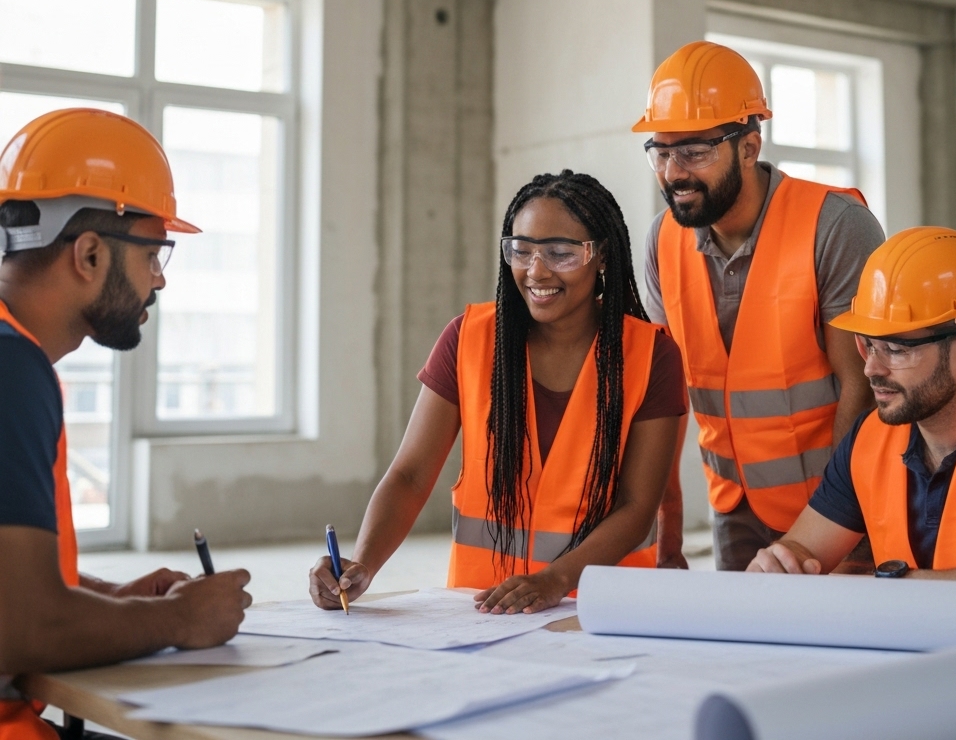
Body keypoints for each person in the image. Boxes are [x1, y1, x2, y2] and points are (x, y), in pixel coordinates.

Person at [310, 171, 684, 614]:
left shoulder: (650, 354)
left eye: (561, 253)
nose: (536, 270)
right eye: (521, 250)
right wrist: (361, 566)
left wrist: (554, 581)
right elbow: (410, 476)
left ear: (601, 255)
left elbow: (637, 506)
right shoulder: (469, 339)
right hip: (481, 614)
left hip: (606, 613)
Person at [0, 109, 252, 740]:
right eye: (153, 253)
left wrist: (114, 602)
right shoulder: (13, 372)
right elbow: (22, 628)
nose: (159, 280)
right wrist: (176, 622)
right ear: (88, 253)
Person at [634, 41, 884, 571]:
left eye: (695, 152)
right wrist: (667, 539)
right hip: (733, 508)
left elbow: (862, 387)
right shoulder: (663, 242)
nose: (674, 172)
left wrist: (835, 529)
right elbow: (661, 395)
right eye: (661, 151)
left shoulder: (834, 225)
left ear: (749, 146)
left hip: (836, 506)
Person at [748, 227, 956, 580]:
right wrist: (781, 563)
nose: (871, 368)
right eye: (868, 345)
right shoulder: (868, 439)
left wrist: (897, 588)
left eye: (895, 350)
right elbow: (804, 549)